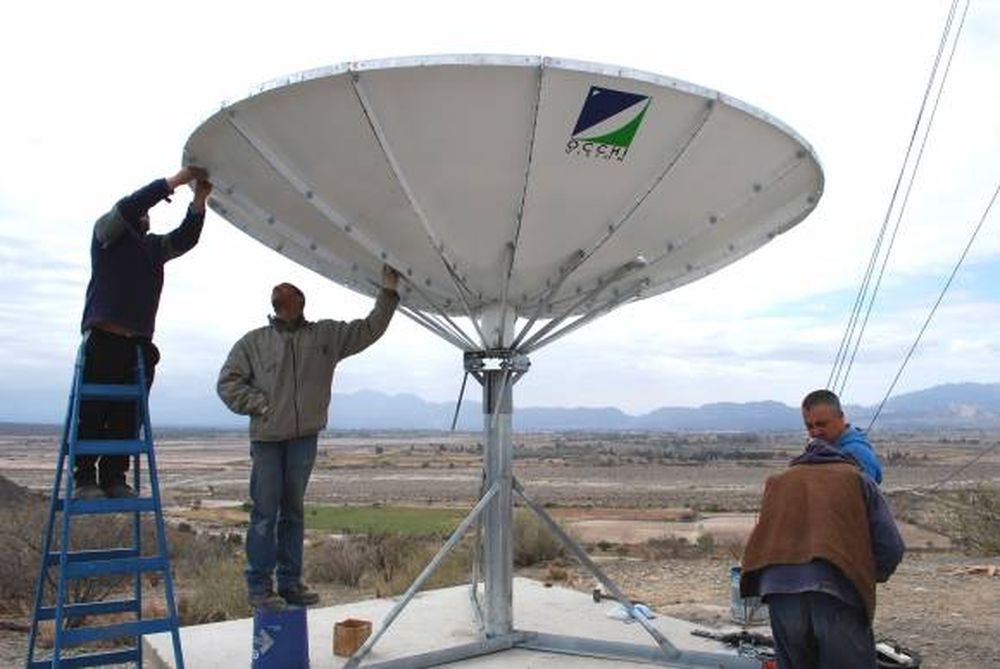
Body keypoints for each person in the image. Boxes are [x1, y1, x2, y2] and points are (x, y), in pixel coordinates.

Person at [217, 267, 399, 610]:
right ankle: (259, 587)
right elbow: (228, 383)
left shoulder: (324, 337)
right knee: (265, 514)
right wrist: (260, 405)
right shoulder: (253, 343)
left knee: (293, 513)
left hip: (303, 438)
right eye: (278, 298)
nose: (283, 301)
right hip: (268, 440)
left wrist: (387, 293)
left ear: (300, 302)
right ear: (275, 305)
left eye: (288, 296)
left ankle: (289, 584)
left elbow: (369, 329)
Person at [76, 166, 212, 500]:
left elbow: (185, 239)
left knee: (128, 413)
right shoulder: (106, 237)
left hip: (137, 345)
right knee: (93, 410)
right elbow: (129, 206)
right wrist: (175, 182)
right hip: (104, 339)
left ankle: (114, 477)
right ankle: (84, 479)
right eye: (144, 212)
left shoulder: (152, 250)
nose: (146, 216)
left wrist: (199, 199)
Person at [740, 438, 905, 668]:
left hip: (779, 592)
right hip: (836, 591)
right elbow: (891, 547)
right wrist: (867, 574)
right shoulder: (857, 479)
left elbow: (761, 539)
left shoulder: (777, 482)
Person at [801, 388, 882, 484]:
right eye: (809, 426)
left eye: (822, 424)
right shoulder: (824, 450)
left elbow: (857, 497)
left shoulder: (855, 453)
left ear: (841, 417)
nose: (815, 432)